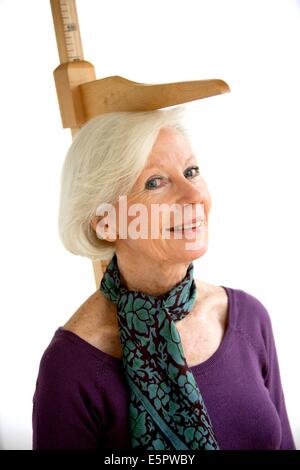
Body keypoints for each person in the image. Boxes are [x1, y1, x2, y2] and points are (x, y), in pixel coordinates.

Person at [32, 107, 296, 450]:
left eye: (192, 171)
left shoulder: (247, 318)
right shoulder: (72, 367)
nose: (194, 196)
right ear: (106, 222)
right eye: (155, 182)